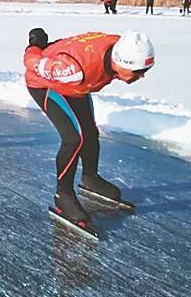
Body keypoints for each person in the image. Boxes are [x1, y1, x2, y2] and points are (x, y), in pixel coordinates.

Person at [23, 29, 155, 225]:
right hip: (46, 85)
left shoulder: (120, 45)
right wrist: (36, 44)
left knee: (90, 133)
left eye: (146, 71)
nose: (141, 76)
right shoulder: (73, 70)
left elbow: (78, 42)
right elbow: (32, 62)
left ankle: (90, 178)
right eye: (138, 72)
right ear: (120, 62)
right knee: (74, 139)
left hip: (76, 87)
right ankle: (63, 195)